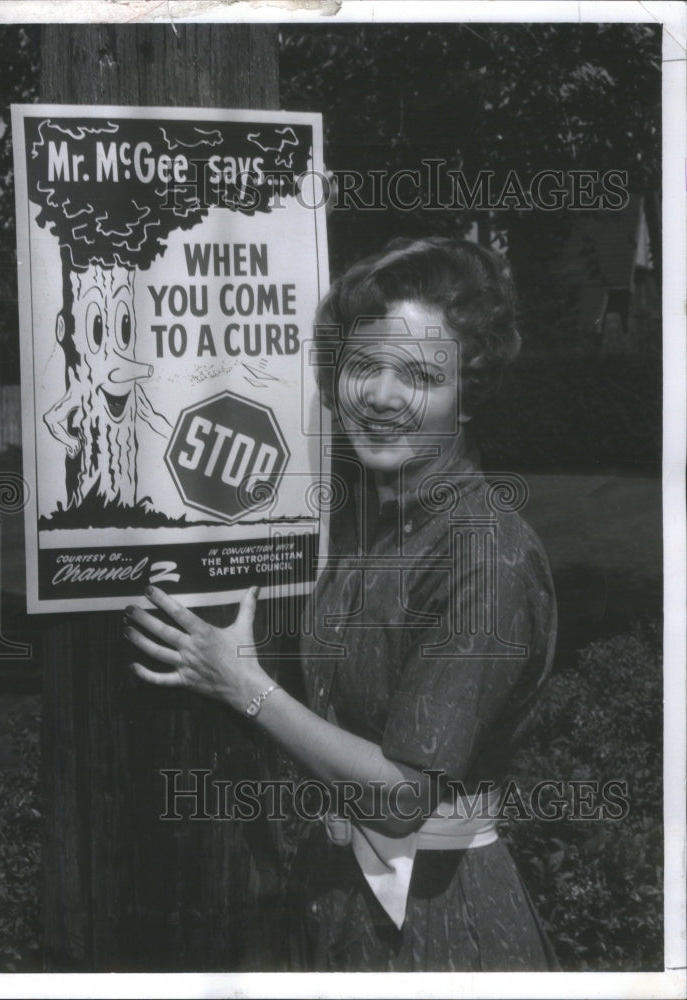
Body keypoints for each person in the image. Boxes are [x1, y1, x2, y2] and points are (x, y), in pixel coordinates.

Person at [123, 237, 558, 972]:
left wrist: (243, 686)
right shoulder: (367, 527)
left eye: (420, 375)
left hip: (441, 937)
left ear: (468, 393)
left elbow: (399, 799)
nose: (381, 396)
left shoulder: (485, 554)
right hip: (341, 917)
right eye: (361, 366)